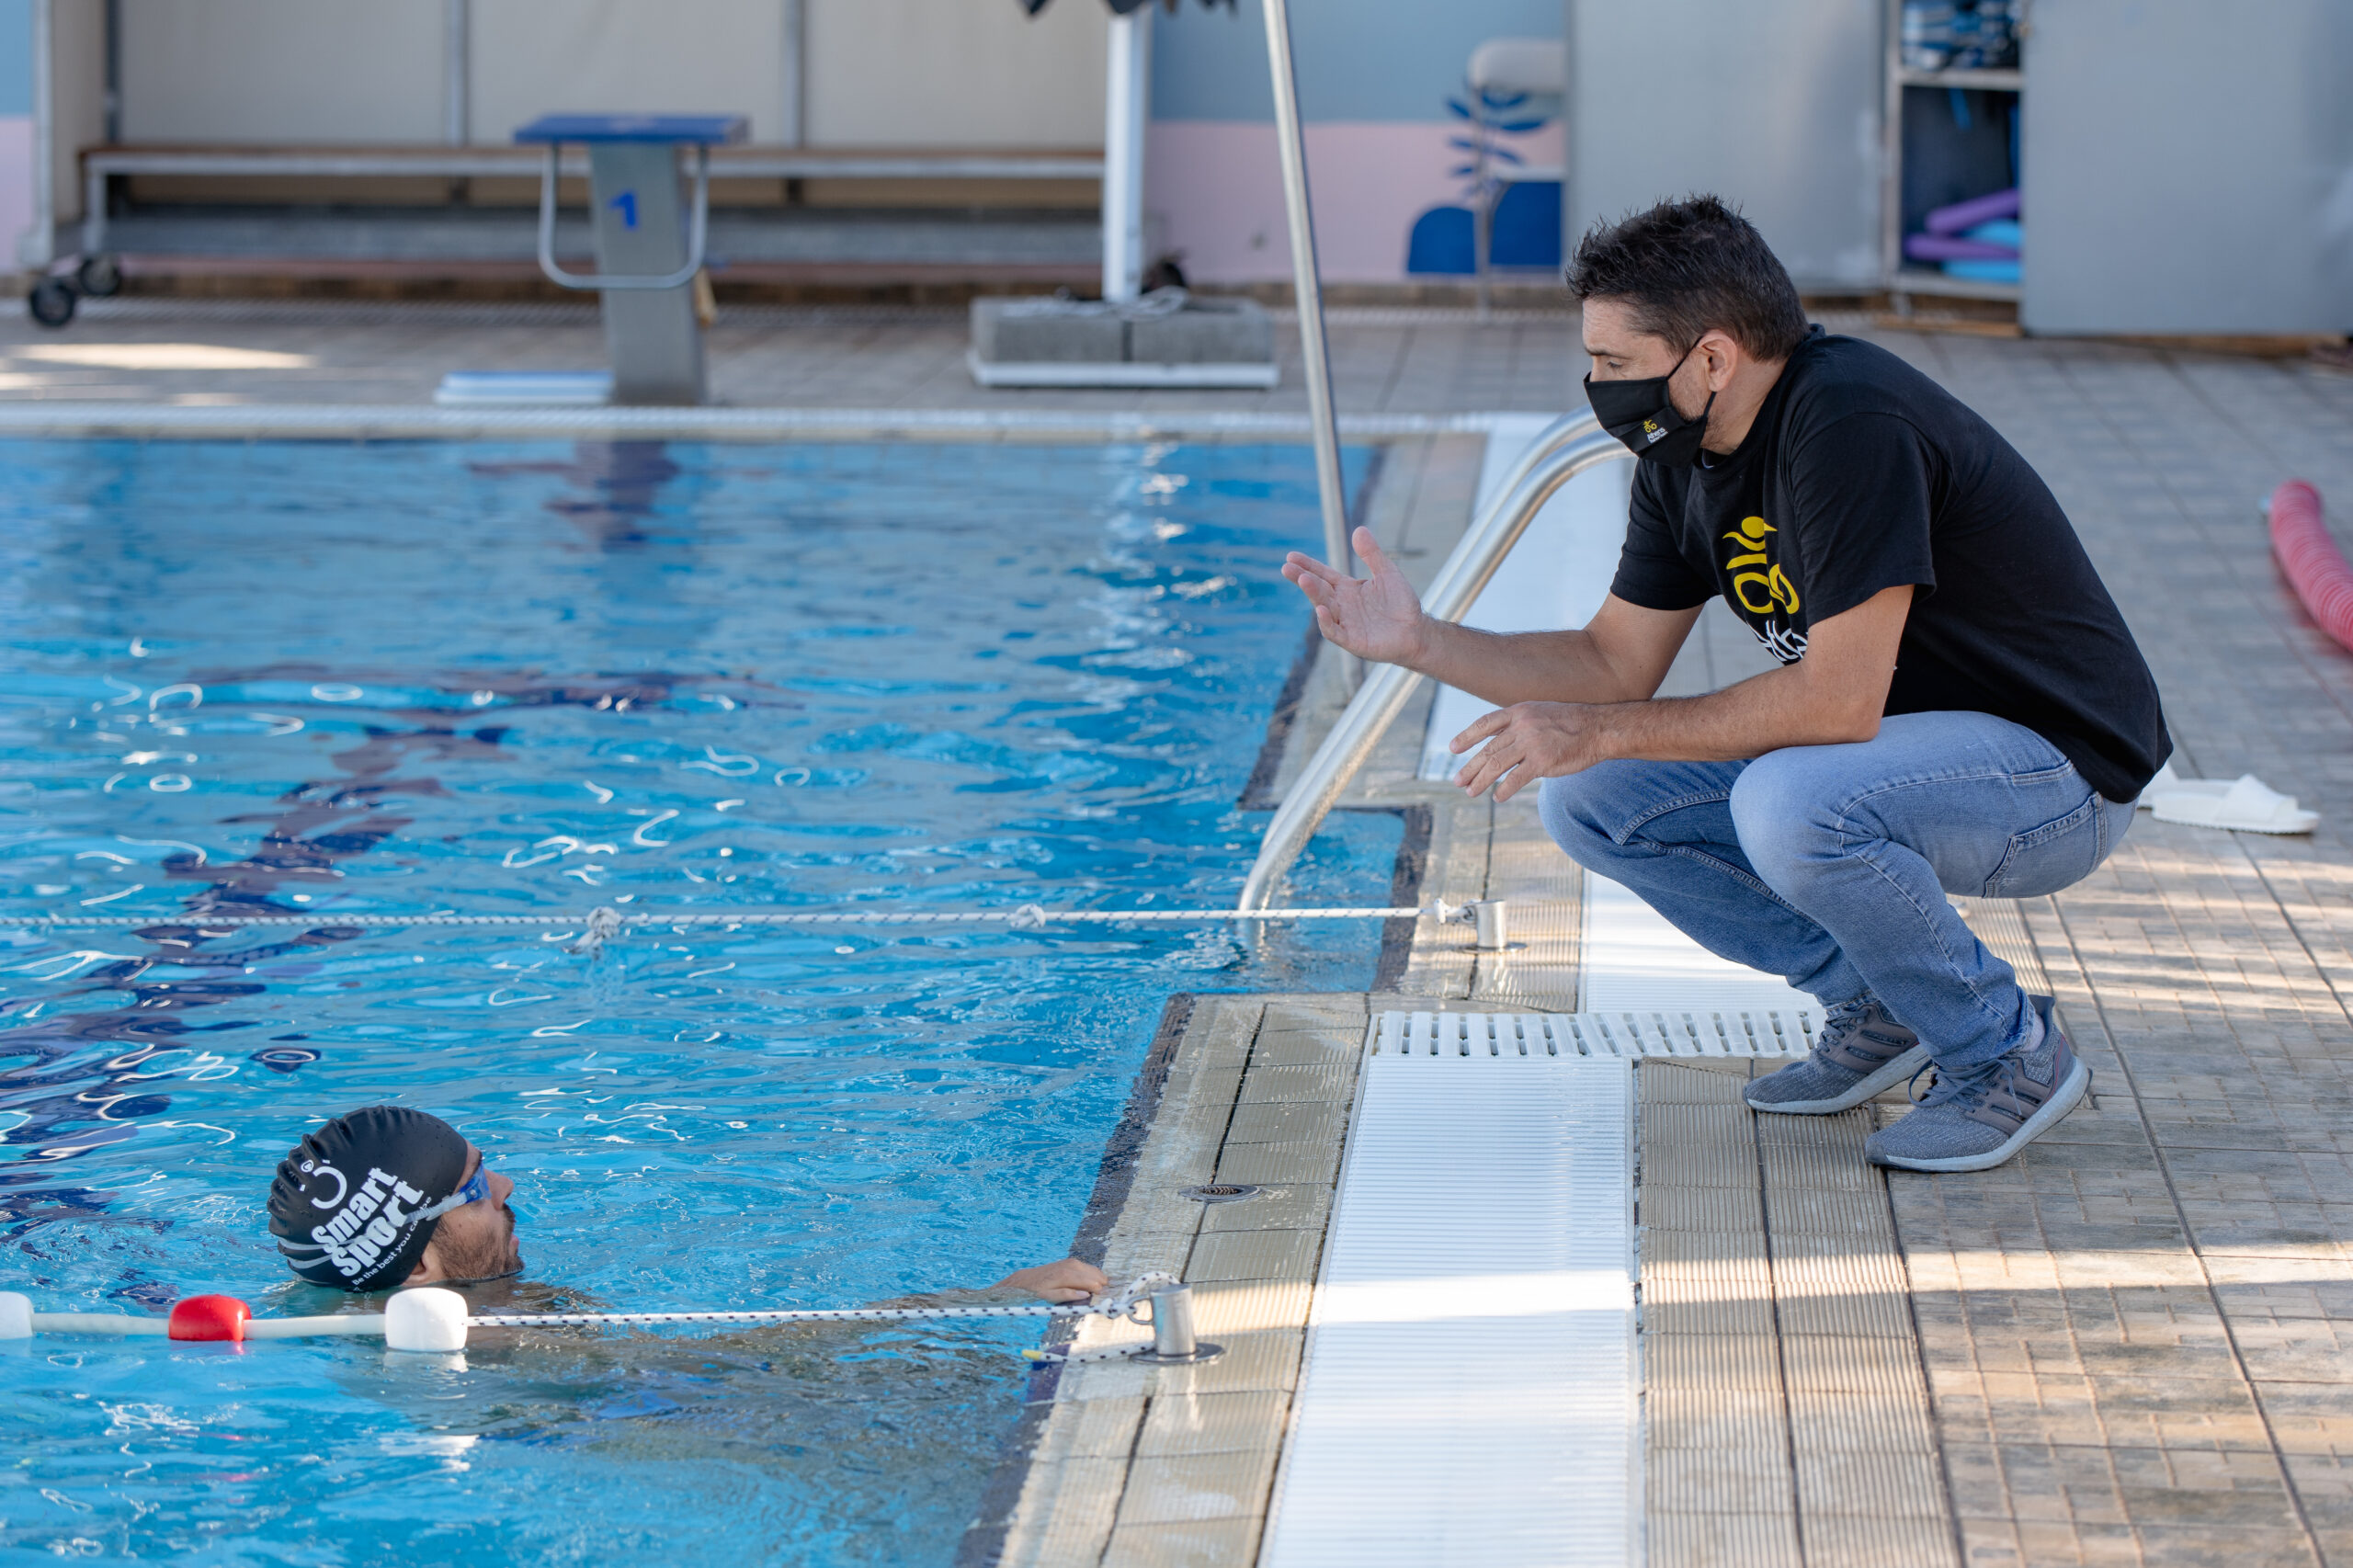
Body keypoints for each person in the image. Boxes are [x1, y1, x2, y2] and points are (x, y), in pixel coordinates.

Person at [1282, 194, 2168, 1175]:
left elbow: (1836, 702)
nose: (1594, 384)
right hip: (1908, 753)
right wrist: (1421, 640)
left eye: (1614, 362)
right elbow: (1612, 664)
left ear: (1709, 358)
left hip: (2056, 776)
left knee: (1789, 804)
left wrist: (1602, 727)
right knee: (1594, 799)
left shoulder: (1846, 422)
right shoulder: (1683, 452)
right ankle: (1883, 1003)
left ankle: (2004, 1050)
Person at [267, 1104, 1108, 1301]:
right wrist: (992, 1299)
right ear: (416, 1263)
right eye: (477, 1188)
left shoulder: (331, 1307)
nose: (509, 1189)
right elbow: (783, 1370)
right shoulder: (517, 1348)